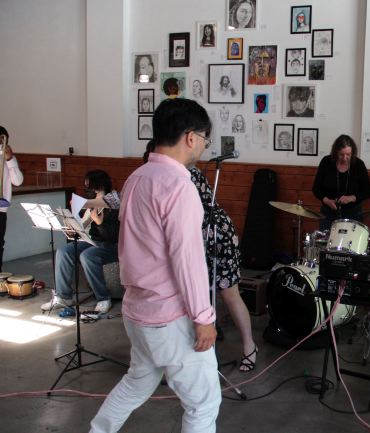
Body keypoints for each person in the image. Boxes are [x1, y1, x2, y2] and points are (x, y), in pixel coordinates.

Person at [88, 99, 220, 433]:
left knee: (137, 382)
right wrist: (203, 318)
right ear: (190, 137)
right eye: (205, 139)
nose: (204, 146)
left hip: (138, 311)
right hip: (170, 317)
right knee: (203, 405)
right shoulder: (179, 186)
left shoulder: (137, 177)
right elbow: (188, 260)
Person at [189, 166, 257, 372]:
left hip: (216, 234)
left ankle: (249, 345)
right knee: (198, 291)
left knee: (229, 293)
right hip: (195, 235)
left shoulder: (184, 171)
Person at [41, 170, 119, 314]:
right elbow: (84, 226)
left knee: (88, 255)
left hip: (112, 244)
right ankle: (63, 297)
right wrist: (73, 229)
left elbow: (112, 236)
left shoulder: (114, 199)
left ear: (98, 184)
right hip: (93, 241)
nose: (87, 187)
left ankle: (103, 298)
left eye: (89, 184)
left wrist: (100, 223)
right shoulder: (93, 201)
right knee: (64, 251)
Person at [312, 134, 370, 230]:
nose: (344, 158)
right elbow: (316, 188)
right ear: (335, 152)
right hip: (328, 213)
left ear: (352, 153)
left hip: (353, 213)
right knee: (327, 239)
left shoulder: (358, 165)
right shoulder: (326, 162)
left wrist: (352, 198)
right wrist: (327, 201)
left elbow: (368, 191)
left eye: (348, 154)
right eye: (341, 154)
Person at [0, 126, 24, 272]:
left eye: (3, 142)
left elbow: (18, 181)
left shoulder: (8, 160)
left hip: (1, 209)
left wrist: (9, 159)